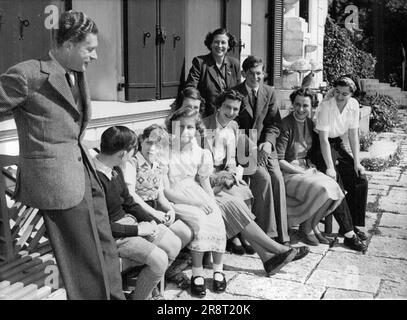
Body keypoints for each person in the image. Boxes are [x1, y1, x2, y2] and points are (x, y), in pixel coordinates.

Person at [0, 11, 124, 300]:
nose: (94, 57)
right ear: (68, 45)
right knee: (83, 262)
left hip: (86, 173)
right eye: (90, 49)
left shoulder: (76, 73)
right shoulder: (28, 74)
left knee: (105, 250)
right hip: (57, 183)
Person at [94, 126, 185, 300]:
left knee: (174, 243)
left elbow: (128, 201)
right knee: (159, 260)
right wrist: (138, 231)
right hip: (114, 236)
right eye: (132, 150)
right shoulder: (94, 180)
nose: (134, 155)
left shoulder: (114, 168)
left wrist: (151, 222)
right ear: (122, 154)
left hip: (130, 224)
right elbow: (102, 226)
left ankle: (142, 292)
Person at [163, 107, 227, 298]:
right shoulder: (166, 152)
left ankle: (218, 269)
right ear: (172, 128)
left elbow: (205, 181)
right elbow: (167, 190)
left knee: (215, 217)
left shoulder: (200, 152)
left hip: (195, 191)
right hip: (176, 197)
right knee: (199, 219)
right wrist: (198, 204)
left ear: (197, 129)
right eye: (180, 127)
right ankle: (197, 272)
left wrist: (211, 202)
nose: (185, 132)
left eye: (190, 127)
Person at [276, 88, 345, 246]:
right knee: (323, 189)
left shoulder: (310, 123)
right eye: (297, 105)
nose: (301, 109)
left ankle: (309, 226)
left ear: (312, 107)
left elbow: (312, 149)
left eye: (305, 106)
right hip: (288, 172)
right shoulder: (285, 125)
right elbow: (279, 160)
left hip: (305, 169)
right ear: (292, 105)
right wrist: (299, 170)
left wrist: (311, 164)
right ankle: (308, 228)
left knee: (335, 189)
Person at [233, 55, 290, 245]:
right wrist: (252, 147)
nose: (256, 77)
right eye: (251, 74)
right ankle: (267, 234)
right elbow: (233, 127)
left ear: (263, 73)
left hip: (265, 146)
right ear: (243, 74)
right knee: (264, 178)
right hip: (243, 148)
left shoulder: (269, 92)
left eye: (259, 73)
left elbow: (274, 123)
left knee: (277, 178)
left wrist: (268, 143)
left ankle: (282, 236)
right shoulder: (235, 93)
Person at [314, 76, 369, 242]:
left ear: (351, 94)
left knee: (360, 179)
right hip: (320, 146)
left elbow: (353, 135)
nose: (339, 96)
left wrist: (357, 162)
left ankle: (355, 225)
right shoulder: (325, 106)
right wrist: (330, 167)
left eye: (344, 94)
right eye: (337, 91)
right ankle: (348, 232)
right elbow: (323, 140)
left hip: (336, 145)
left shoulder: (353, 106)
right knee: (335, 181)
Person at [122, 124, 193, 250]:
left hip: (156, 208)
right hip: (138, 211)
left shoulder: (157, 165)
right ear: (141, 141)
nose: (152, 148)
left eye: (158, 145)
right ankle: (160, 260)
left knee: (186, 233)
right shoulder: (132, 163)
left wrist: (170, 209)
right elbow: (131, 194)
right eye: (149, 143)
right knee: (172, 241)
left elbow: (160, 195)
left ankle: (168, 263)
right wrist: (155, 213)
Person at [185, 28, 241, 118]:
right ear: (210, 44)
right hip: (206, 117)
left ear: (229, 45)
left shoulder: (235, 64)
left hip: (229, 118)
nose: (219, 46)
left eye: (223, 42)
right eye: (216, 42)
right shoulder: (200, 62)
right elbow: (191, 88)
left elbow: (239, 92)